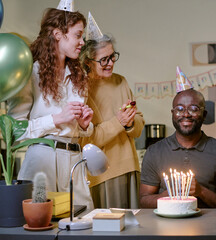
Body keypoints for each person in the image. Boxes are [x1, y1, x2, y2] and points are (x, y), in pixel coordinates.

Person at [7, 2, 95, 209]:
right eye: (78, 35)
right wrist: (56, 119)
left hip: (74, 160)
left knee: (82, 222)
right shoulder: (29, 72)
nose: (82, 42)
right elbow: (14, 131)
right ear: (57, 34)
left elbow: (82, 130)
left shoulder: (78, 77)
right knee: (41, 223)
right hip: (42, 163)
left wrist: (84, 125)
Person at [79, 13, 145, 209]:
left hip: (131, 167)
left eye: (112, 57)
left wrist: (131, 123)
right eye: (104, 59)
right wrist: (118, 122)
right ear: (88, 61)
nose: (110, 63)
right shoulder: (81, 88)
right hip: (102, 173)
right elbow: (86, 141)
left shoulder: (120, 81)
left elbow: (139, 125)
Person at [140, 88, 216, 208]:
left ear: (204, 115)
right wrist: (169, 195)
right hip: (167, 224)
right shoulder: (154, 152)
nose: (186, 114)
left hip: (211, 224)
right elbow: (143, 201)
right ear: (172, 114)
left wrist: (201, 192)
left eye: (193, 109)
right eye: (179, 109)